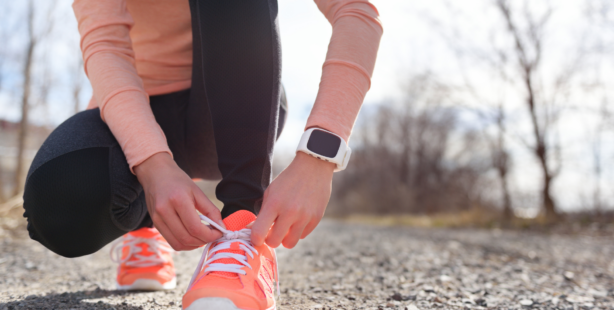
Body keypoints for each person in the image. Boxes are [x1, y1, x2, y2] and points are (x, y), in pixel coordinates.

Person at [22, 0, 382, 309]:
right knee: (59, 203)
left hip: (224, 113)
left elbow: (356, 11)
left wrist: (318, 158)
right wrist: (152, 164)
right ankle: (149, 222)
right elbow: (105, 46)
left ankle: (242, 230)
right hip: (134, 112)